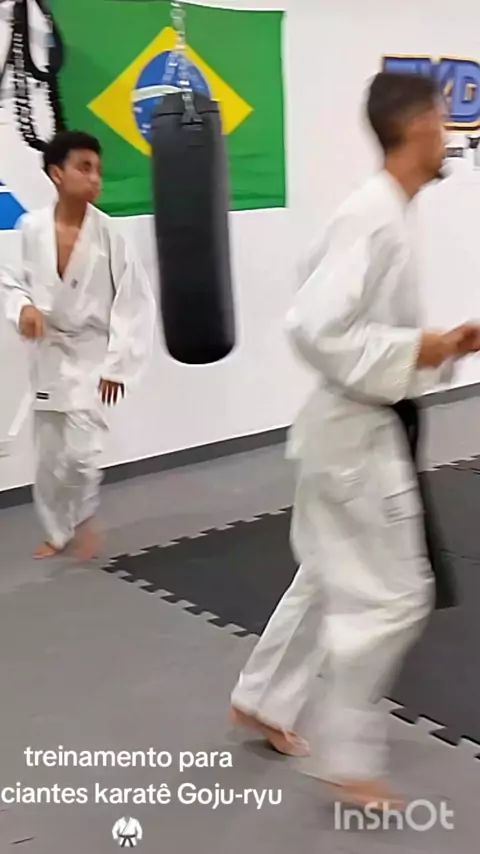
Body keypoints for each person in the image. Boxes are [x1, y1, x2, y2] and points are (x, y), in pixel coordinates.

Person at [229, 72, 480, 807]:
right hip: (353, 440)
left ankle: (262, 698)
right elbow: (312, 325)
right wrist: (418, 348)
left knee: (326, 574)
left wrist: (436, 346)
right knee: (396, 596)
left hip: (349, 431)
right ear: (418, 126)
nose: (449, 135)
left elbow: (337, 310)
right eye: (443, 120)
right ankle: (349, 759)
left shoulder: (385, 211)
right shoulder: (373, 215)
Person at [0, 130, 155, 561]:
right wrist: (24, 308)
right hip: (48, 354)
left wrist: (118, 365)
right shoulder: (31, 228)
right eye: (84, 168)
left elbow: (133, 301)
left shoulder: (109, 235)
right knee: (50, 460)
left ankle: (83, 518)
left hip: (90, 355)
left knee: (83, 456)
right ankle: (57, 531)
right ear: (56, 173)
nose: (95, 178)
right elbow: (10, 280)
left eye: (98, 170)